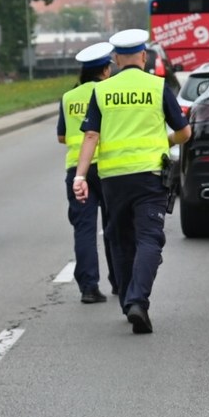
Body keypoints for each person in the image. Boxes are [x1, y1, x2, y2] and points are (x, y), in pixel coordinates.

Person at [72, 29, 191, 334]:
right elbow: (185, 132)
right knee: (149, 238)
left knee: (120, 240)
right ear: (143, 56)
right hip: (150, 176)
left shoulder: (102, 91)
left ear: (115, 59)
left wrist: (81, 175)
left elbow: (91, 135)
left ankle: (128, 300)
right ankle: (138, 300)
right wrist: (165, 140)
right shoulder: (157, 86)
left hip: (113, 179)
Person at [58, 41, 117, 304]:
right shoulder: (108, 91)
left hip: (76, 170)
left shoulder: (68, 97)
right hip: (107, 166)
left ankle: (89, 288)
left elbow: (62, 136)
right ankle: (119, 280)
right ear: (105, 70)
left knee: (84, 228)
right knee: (113, 226)